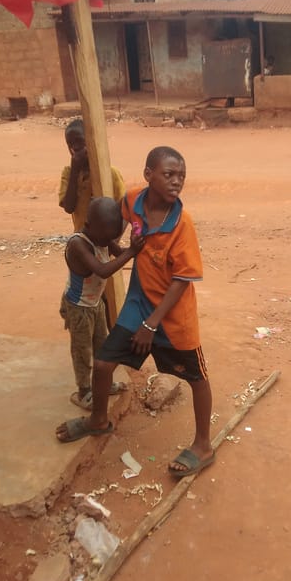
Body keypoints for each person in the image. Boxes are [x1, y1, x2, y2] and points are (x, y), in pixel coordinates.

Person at [56, 146, 214, 479]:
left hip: (172, 317)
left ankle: (203, 445)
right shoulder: (133, 202)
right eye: (168, 174)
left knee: (196, 378)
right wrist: (96, 244)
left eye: (181, 176)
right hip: (137, 304)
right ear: (148, 175)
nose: (176, 182)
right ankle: (98, 420)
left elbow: (182, 281)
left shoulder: (181, 224)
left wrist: (151, 325)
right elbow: (108, 221)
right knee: (102, 364)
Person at [60, 197, 145, 411]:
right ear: (89, 225)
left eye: (113, 236)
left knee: (102, 344)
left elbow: (119, 252)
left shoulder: (103, 236)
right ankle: (83, 391)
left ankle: (101, 383)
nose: (109, 241)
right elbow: (103, 270)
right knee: (82, 350)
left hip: (95, 303)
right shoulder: (78, 244)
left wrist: (135, 248)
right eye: (107, 236)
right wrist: (131, 252)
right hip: (78, 307)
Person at [58, 118, 126, 232]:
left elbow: (124, 209)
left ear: (90, 141)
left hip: (106, 240)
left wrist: (114, 240)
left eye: (79, 141)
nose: (74, 147)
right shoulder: (68, 172)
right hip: (81, 238)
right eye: (70, 144)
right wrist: (75, 170)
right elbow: (69, 208)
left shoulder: (110, 173)